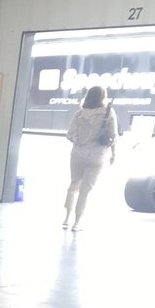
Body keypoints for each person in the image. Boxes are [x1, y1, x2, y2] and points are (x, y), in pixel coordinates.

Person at [64, 85, 117, 232]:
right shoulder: (108, 113)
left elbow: (69, 134)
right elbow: (113, 136)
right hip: (97, 156)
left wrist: (80, 142)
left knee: (73, 185)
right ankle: (77, 222)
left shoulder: (79, 114)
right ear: (103, 97)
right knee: (85, 191)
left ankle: (66, 218)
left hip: (77, 155)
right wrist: (113, 154)